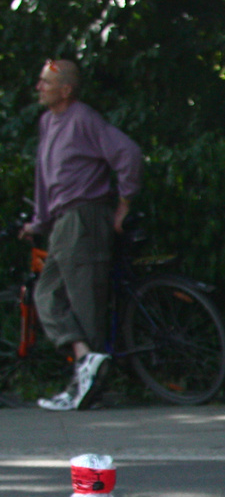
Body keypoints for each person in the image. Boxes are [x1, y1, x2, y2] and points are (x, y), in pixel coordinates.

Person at [20, 59, 142, 412]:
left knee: (80, 301)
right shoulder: (48, 123)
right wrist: (39, 222)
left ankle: (87, 380)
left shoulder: (83, 119)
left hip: (84, 218)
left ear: (66, 90)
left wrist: (124, 202)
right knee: (52, 294)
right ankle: (85, 367)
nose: (39, 87)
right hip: (63, 222)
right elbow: (45, 180)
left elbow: (128, 153)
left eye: (45, 83)